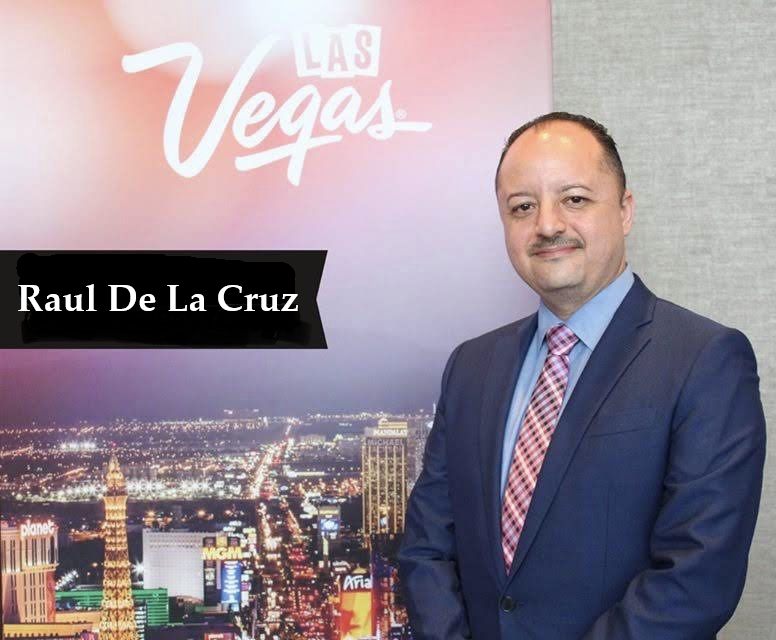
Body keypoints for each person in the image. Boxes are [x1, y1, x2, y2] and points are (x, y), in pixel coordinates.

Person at [398, 112, 766, 640]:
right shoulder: (471, 367)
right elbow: (427, 547)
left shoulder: (704, 360)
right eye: (522, 207)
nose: (547, 224)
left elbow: (696, 578)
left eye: (574, 199)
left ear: (625, 211)